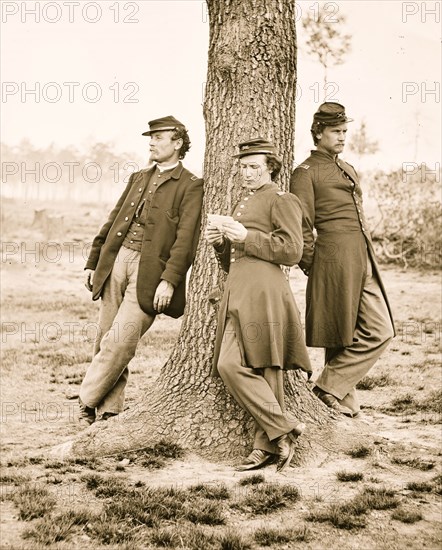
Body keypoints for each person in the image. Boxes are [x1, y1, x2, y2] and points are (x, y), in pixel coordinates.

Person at [78, 115, 203, 425]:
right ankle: (109, 411)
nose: (151, 142)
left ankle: (84, 400)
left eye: (159, 137)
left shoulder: (191, 185)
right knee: (107, 337)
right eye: (151, 137)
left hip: (151, 272)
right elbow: (113, 220)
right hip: (116, 260)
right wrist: (94, 261)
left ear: (177, 143)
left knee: (121, 340)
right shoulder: (138, 177)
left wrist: (170, 281)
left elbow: (186, 240)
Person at [206, 138, 312, 472]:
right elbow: (233, 260)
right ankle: (286, 427)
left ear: (270, 168)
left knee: (269, 367)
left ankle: (267, 446)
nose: (246, 172)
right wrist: (222, 244)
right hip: (238, 290)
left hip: (266, 292)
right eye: (242, 166)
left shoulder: (283, 199)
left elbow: (293, 251)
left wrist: (245, 237)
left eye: (253, 166)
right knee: (228, 364)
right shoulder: (243, 200)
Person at [290, 102, 395, 418]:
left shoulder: (347, 168)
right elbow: (302, 225)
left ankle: (327, 387)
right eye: (336, 131)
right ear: (318, 133)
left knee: (381, 329)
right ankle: (341, 404)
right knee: (339, 331)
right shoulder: (305, 172)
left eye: (345, 131)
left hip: (363, 258)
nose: (342, 137)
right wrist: (313, 264)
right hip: (332, 260)